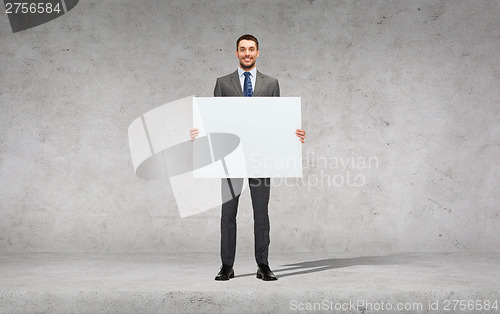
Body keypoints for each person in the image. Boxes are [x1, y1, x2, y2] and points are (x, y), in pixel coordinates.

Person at [190, 34, 306, 281]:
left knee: (261, 213)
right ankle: (227, 266)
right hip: (231, 158)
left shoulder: (271, 83)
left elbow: (276, 120)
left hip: (261, 156)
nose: (247, 53)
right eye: (242, 49)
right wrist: (199, 133)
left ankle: (263, 264)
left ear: (258, 52)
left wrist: (293, 133)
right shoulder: (222, 83)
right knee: (227, 214)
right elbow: (214, 120)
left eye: (251, 49)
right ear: (236, 53)